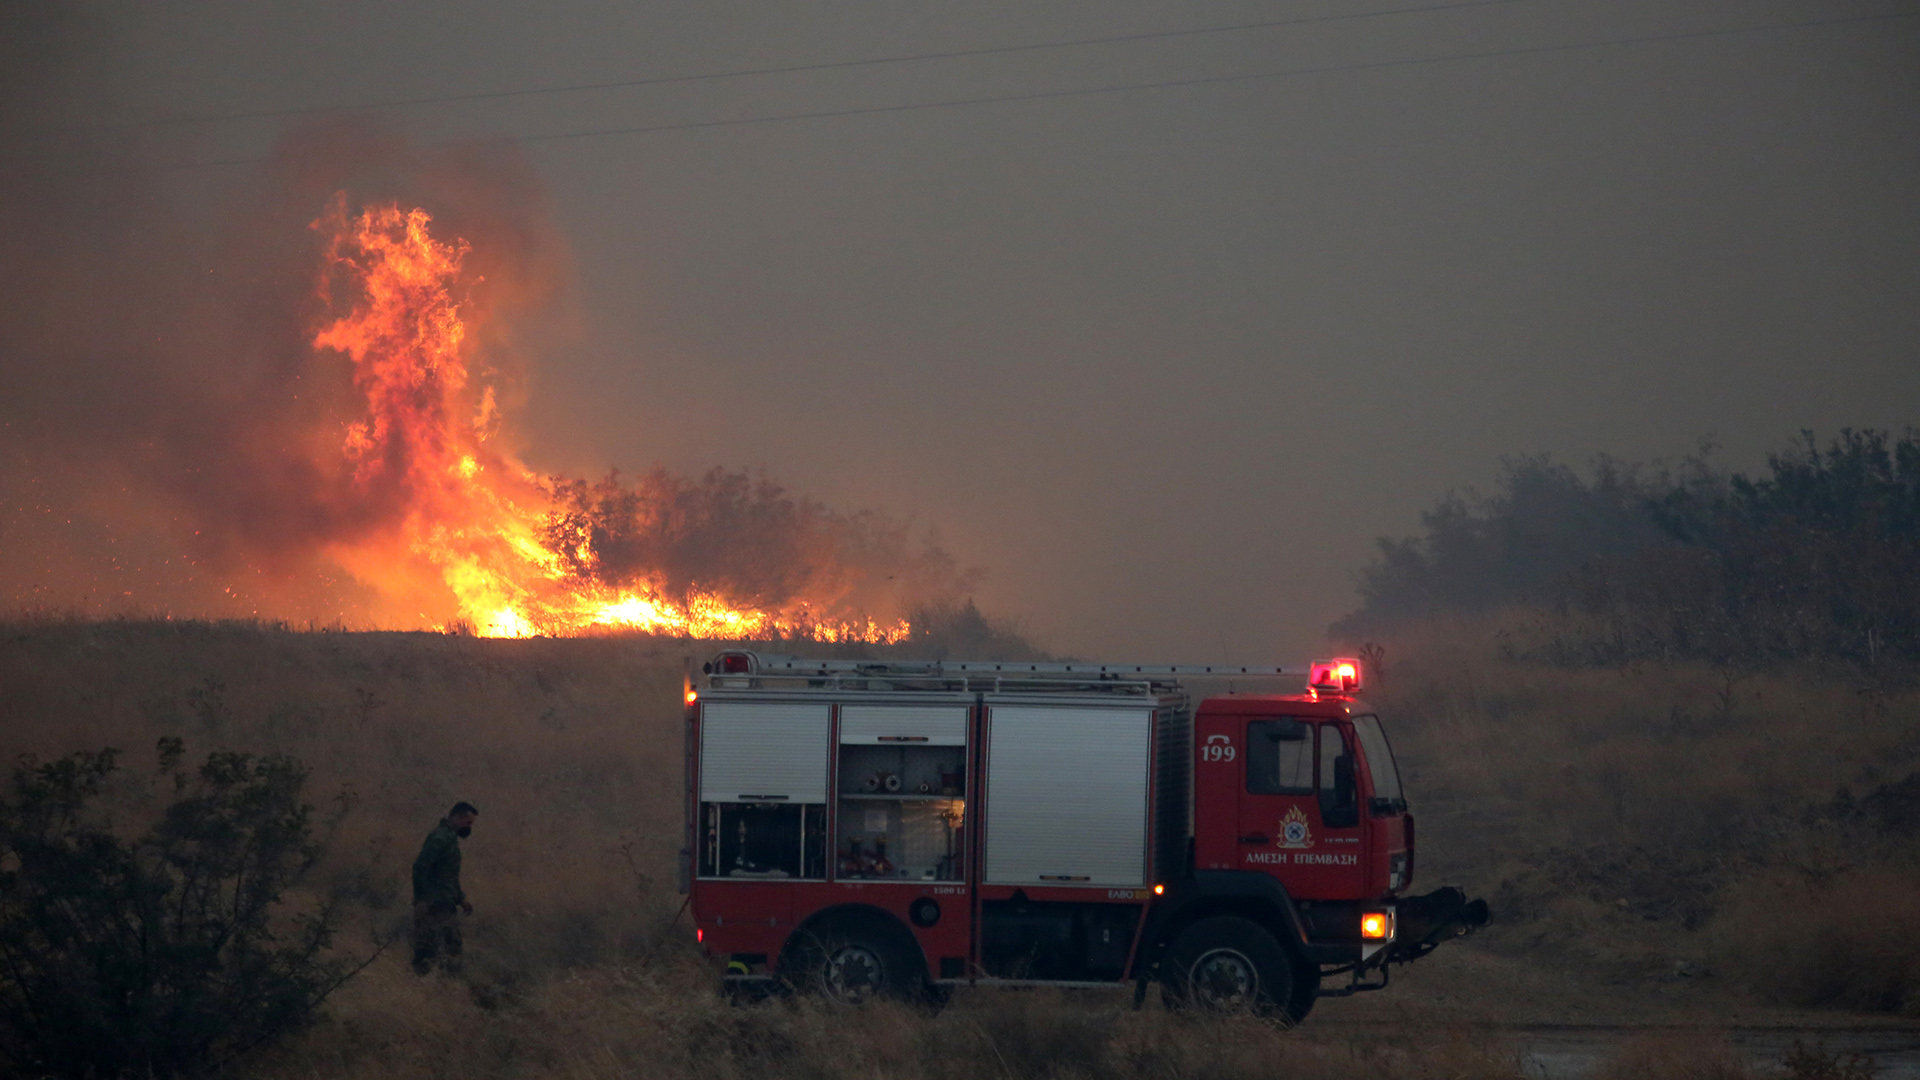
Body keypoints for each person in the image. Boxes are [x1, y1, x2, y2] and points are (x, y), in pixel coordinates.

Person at [411, 801, 477, 974]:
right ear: (456, 817)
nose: (469, 827)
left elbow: (447, 875)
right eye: (467, 822)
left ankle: (444, 986)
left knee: (450, 948)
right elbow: (420, 867)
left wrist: (461, 899)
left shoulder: (449, 838)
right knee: (429, 949)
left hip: (445, 903)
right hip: (434, 904)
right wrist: (422, 900)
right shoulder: (440, 838)